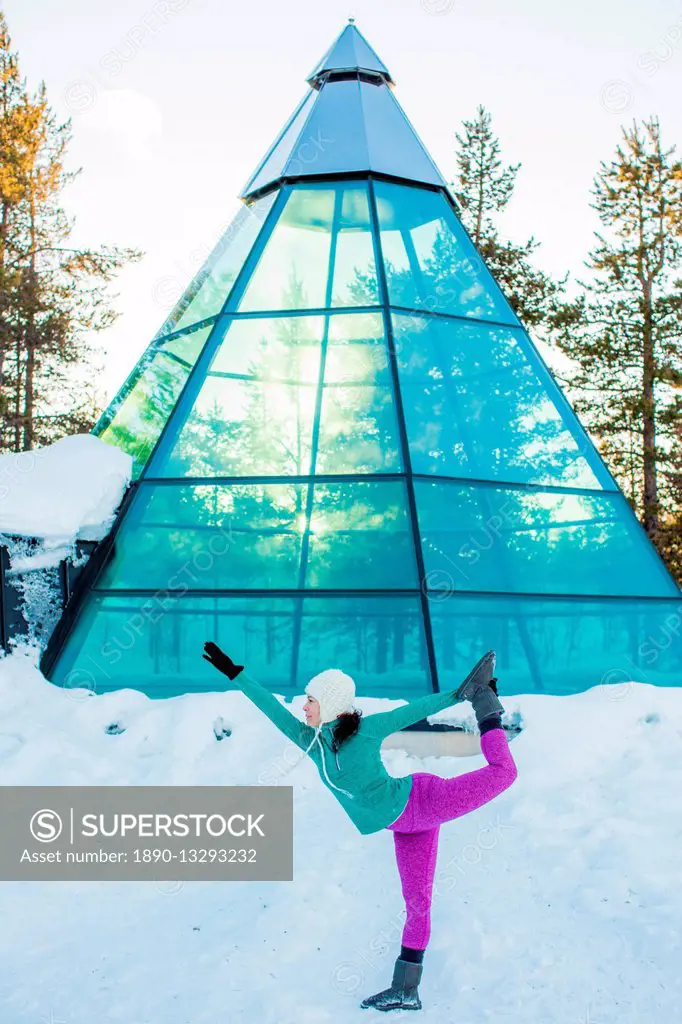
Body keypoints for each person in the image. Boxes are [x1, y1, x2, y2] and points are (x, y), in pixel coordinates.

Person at [202, 642, 518, 1012]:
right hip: (406, 826)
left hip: (424, 801)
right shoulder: (313, 741)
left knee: (504, 772)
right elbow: (272, 710)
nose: (303, 707)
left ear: (330, 704)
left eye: (310, 700)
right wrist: (237, 674)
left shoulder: (366, 730)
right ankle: (405, 990)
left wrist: (466, 696)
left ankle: (489, 710)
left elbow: (413, 710)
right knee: (417, 904)